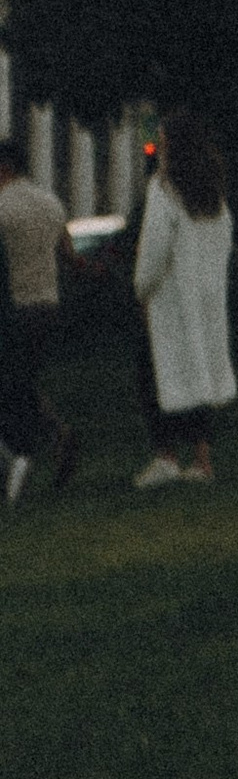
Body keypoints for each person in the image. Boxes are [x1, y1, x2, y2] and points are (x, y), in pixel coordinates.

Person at [132, 110, 235, 490]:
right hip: (204, 296)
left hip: (170, 298)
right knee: (198, 371)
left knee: (154, 372)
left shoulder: (164, 189)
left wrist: (142, 287)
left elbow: (155, 248)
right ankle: (202, 459)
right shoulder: (213, 194)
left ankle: (166, 455)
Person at [0, 133, 78, 505]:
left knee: (14, 385)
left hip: (15, 308)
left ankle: (27, 452)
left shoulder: (3, 207)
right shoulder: (50, 202)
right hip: (48, 304)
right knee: (22, 381)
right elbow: (68, 253)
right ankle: (56, 435)